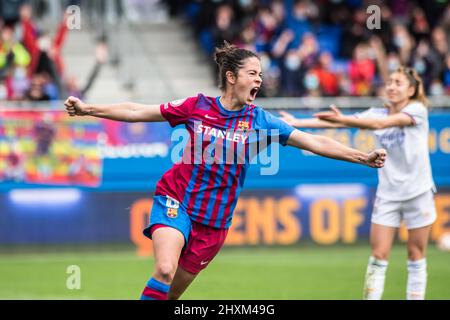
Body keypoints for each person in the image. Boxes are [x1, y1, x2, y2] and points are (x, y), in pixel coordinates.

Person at [64, 42, 386, 300]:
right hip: (176, 199)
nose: (259, 79)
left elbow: (313, 141)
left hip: (214, 224)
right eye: (253, 73)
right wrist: (88, 109)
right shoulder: (197, 105)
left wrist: (362, 157)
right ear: (231, 77)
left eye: (261, 74)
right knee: (164, 268)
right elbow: (137, 111)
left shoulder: (261, 120)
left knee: (170, 293)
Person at [279, 66, 436, 300]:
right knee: (378, 256)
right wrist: (297, 122)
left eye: (398, 83)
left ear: (411, 90)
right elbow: (338, 123)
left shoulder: (417, 110)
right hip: (388, 194)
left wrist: (344, 118)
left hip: (419, 192)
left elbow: (378, 125)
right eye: (390, 81)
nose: (391, 86)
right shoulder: (376, 112)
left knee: (415, 254)